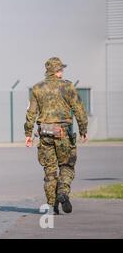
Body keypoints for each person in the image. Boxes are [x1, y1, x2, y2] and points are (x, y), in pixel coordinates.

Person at [25, 57, 88, 215]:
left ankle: (52, 204)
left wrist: (28, 134)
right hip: (63, 132)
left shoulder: (37, 88)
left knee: (50, 171)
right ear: (58, 71)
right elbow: (79, 109)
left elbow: (31, 113)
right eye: (61, 69)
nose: (62, 72)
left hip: (44, 132)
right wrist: (83, 129)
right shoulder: (67, 86)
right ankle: (63, 192)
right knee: (67, 166)